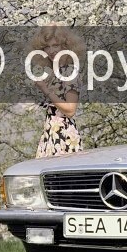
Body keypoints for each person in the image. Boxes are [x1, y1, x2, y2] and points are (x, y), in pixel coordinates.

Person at [30, 25, 86, 158]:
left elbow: (70, 110)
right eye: (47, 47)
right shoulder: (54, 72)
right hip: (50, 133)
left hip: (63, 136)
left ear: (66, 46)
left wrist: (45, 89)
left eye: (55, 45)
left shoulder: (69, 71)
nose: (51, 50)